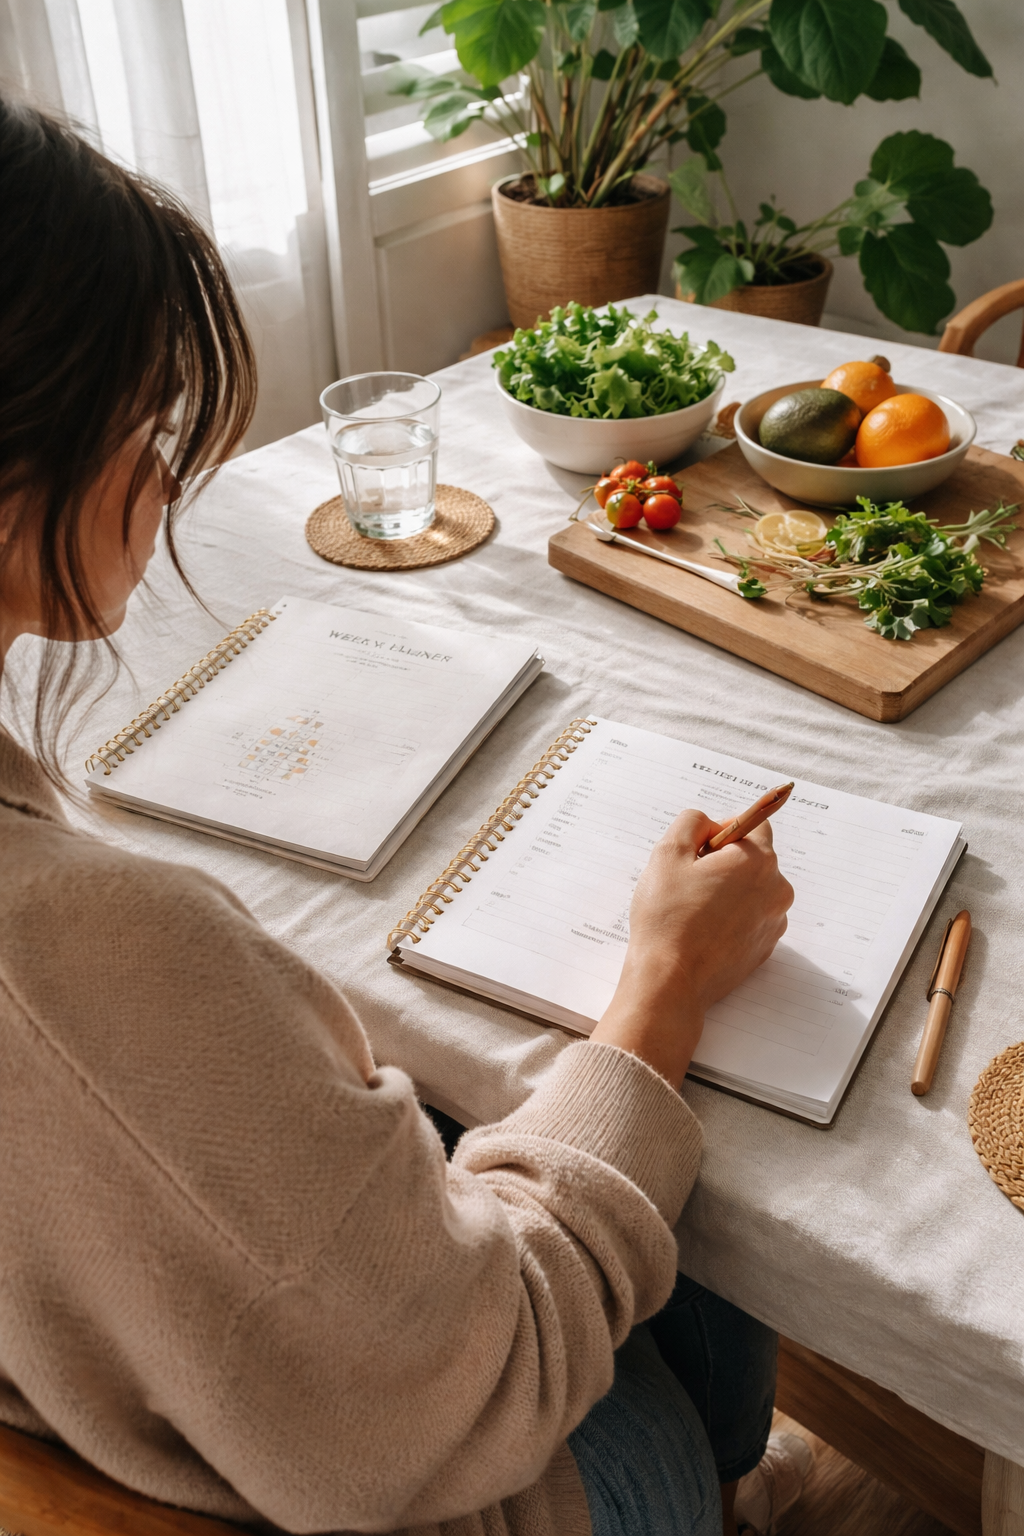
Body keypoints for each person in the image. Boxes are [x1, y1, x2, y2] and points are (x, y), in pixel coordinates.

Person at [0, 96, 809, 1536]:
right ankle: (717, 1489)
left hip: (116, 1381)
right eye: (148, 424)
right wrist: (664, 990)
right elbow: (485, 1371)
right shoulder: (86, 947)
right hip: (427, 1484)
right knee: (704, 1226)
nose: (168, 474)